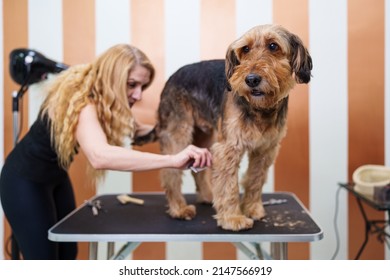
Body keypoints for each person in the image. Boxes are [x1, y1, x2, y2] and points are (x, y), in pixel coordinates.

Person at [0, 44, 212, 260]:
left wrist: (185, 128)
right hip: (23, 181)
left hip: (56, 177)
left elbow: (140, 131)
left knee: (67, 253)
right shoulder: (81, 100)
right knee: (43, 261)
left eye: (142, 86)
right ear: (113, 77)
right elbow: (100, 156)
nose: (138, 95)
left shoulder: (105, 101)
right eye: (132, 85)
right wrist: (172, 160)